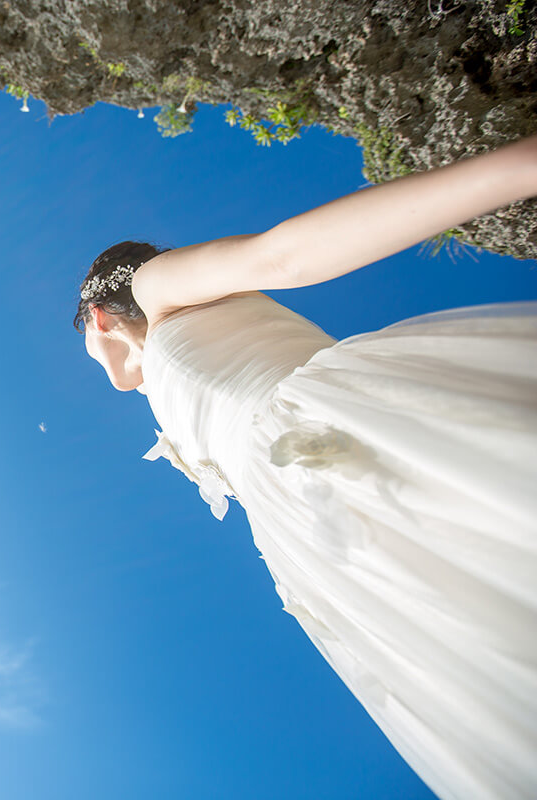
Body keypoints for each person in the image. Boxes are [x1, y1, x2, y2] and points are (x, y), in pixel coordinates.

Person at [75, 136, 537, 800]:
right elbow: (133, 379)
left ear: (95, 317)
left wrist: (519, 167)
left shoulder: (154, 289)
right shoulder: (172, 354)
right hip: (305, 516)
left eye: (87, 336)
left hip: (321, 431)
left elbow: (283, 254)